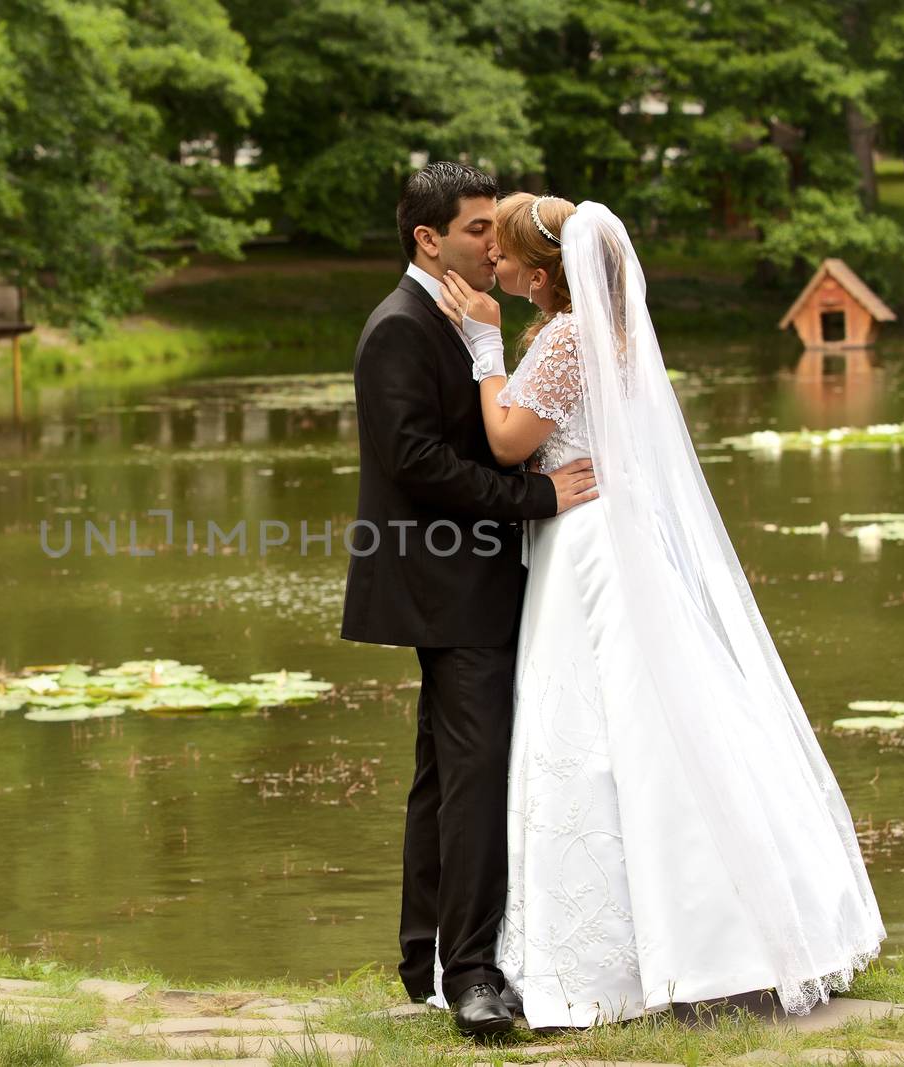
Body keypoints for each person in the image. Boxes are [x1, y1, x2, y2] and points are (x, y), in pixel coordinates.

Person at [431, 193, 886, 1027]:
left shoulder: (565, 336)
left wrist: (483, 345)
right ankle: (706, 933)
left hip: (589, 546)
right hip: (604, 532)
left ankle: (640, 954)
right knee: (645, 718)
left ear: (541, 270)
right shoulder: (609, 330)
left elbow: (506, 440)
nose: (492, 264)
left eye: (506, 255)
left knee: (601, 726)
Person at [340, 162, 597, 1037]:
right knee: (475, 778)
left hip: (484, 578)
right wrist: (537, 497)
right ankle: (475, 975)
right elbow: (416, 461)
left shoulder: (466, 318)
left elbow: (494, 435)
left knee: (445, 778)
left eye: (496, 227)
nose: (496, 242)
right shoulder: (398, 330)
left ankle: (429, 959)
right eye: (480, 228)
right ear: (429, 239)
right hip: (445, 585)